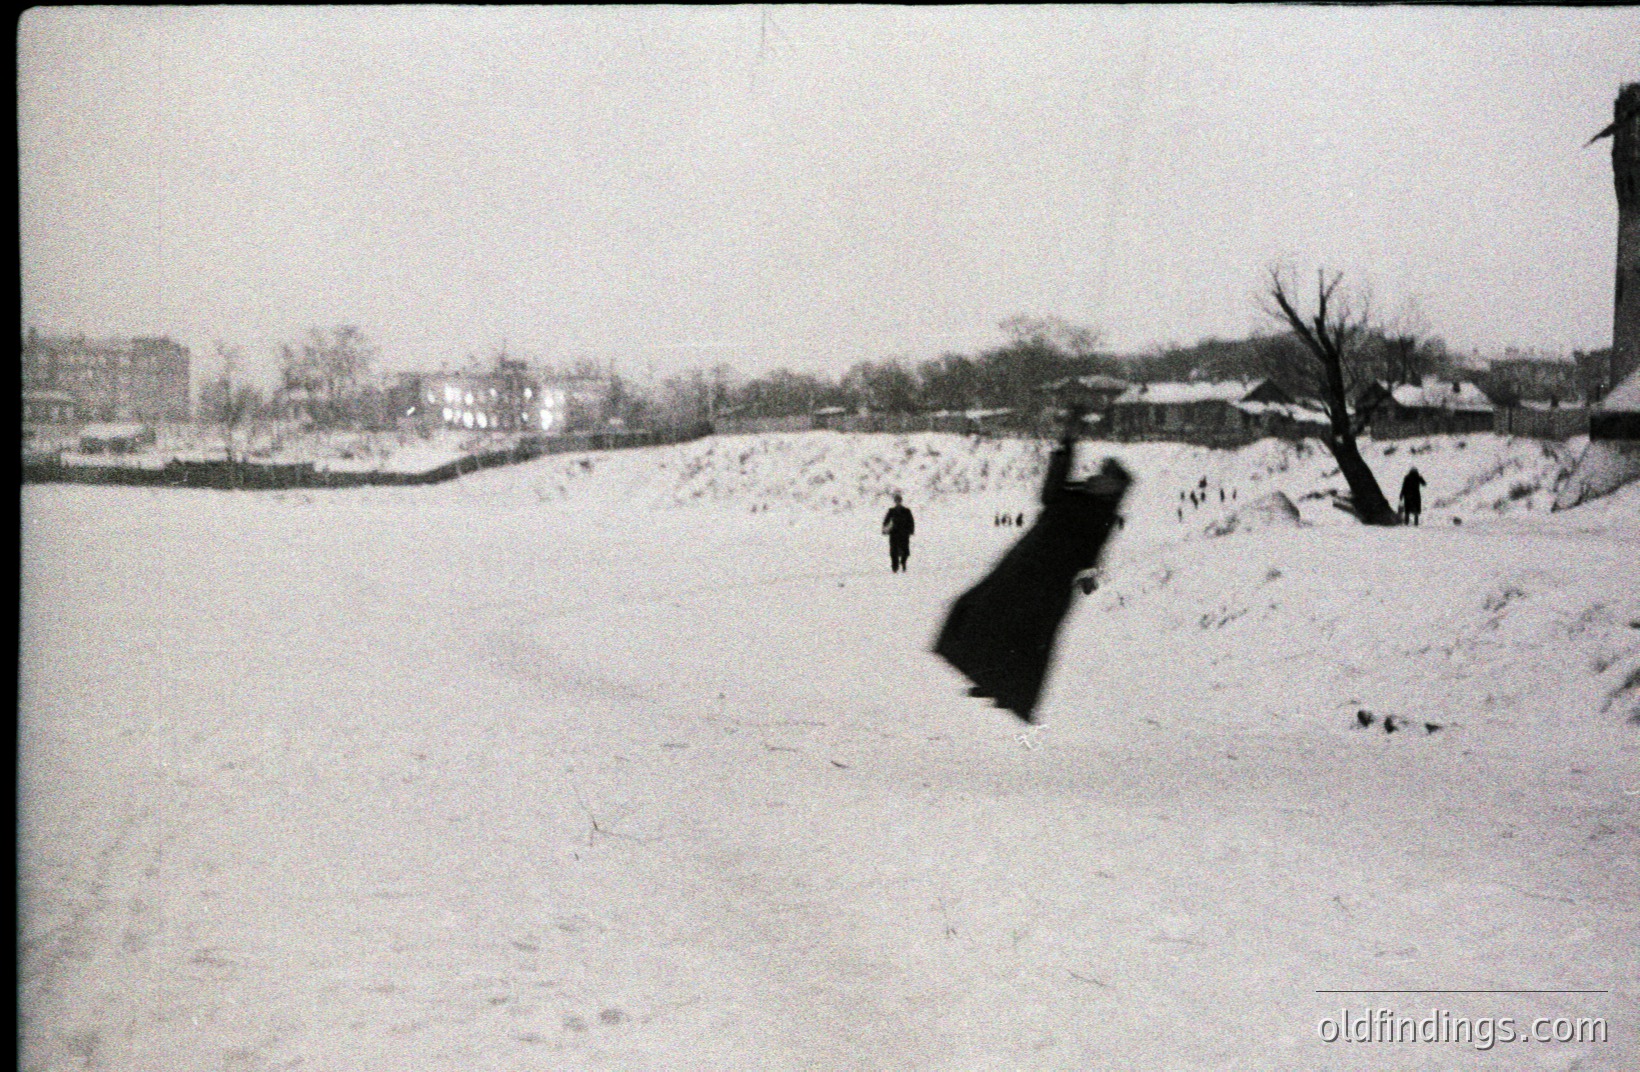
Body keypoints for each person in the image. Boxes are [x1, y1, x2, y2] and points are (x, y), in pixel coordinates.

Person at [934, 407, 1132, 722]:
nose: (1098, 477)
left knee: (1024, 638)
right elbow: (1049, 492)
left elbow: (1092, 554)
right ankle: (991, 680)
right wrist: (1066, 447)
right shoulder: (1079, 495)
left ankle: (1009, 692)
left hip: (1048, 581)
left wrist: (1087, 577)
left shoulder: (1100, 514)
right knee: (984, 613)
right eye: (1102, 473)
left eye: (1106, 477)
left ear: (1115, 487)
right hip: (1024, 566)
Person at [882, 493, 915, 572]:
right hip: (894, 533)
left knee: (905, 551)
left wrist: (911, 530)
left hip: (904, 533)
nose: (898, 502)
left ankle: (903, 562)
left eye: (899, 501)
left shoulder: (907, 511)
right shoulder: (891, 511)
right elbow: (886, 521)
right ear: (895, 502)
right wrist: (885, 530)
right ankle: (895, 566)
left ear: (901, 501)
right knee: (893, 551)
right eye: (896, 501)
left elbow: (911, 521)